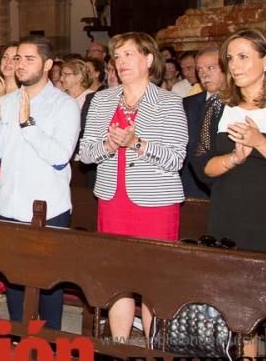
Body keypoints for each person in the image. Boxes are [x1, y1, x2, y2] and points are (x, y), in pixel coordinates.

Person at [192, 28, 266, 361]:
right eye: (230, 58)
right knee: (239, 316)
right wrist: (235, 158)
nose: (234, 65)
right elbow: (202, 166)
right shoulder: (219, 106)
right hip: (228, 220)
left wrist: (260, 142)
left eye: (243, 56)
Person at [78, 32, 186, 343]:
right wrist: (109, 144)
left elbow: (176, 159)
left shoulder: (168, 102)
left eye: (129, 55)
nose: (121, 62)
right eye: (117, 56)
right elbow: (85, 154)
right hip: (114, 201)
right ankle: (120, 349)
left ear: (149, 59)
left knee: (153, 283)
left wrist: (138, 143)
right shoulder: (102, 99)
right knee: (117, 279)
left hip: (155, 205)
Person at [0, 36, 80, 330]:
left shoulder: (64, 106)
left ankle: (49, 347)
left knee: (48, 283)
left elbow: (61, 156)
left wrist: (27, 124)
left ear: (48, 65)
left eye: (28, 59)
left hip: (47, 208)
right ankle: (20, 341)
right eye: (17, 59)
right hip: (10, 204)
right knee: (13, 280)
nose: (19, 65)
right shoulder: (8, 101)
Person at [179, 45, 221, 198]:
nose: (204, 74)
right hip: (191, 189)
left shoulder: (241, 105)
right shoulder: (186, 104)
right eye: (200, 70)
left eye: (210, 68)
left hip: (227, 188)